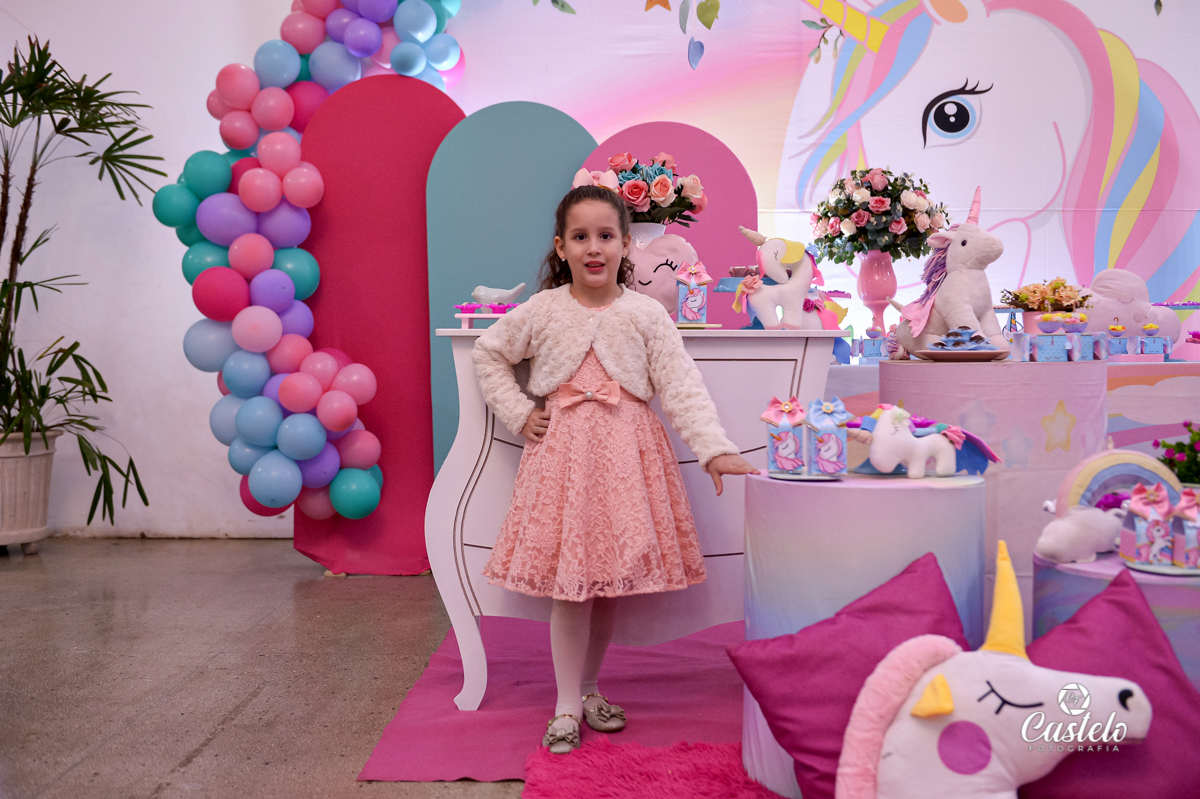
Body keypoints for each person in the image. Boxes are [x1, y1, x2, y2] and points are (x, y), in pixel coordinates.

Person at [472, 184, 756, 754]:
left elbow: (681, 385)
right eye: (580, 237)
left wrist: (713, 447)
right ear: (562, 246)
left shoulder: (646, 314)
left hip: (627, 459)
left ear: (627, 243)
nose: (594, 248)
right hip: (565, 461)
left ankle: (589, 689)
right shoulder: (545, 309)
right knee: (571, 589)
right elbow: (489, 353)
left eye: (606, 235)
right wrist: (520, 414)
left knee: (604, 588)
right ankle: (564, 705)